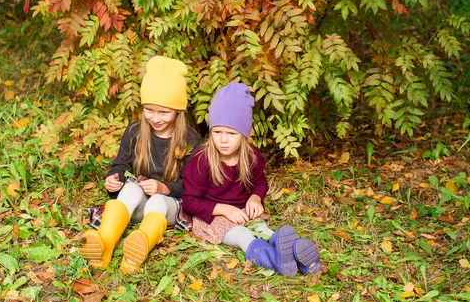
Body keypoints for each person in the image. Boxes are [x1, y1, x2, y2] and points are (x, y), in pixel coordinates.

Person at [182, 81, 321, 276]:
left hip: (243, 211)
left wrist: (255, 197)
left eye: (231, 133)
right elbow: (189, 202)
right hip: (213, 216)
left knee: (263, 230)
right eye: (217, 132)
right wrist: (224, 209)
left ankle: (301, 256)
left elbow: (260, 182)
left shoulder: (251, 156)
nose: (223, 139)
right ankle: (277, 262)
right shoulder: (201, 161)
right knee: (242, 235)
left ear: (244, 134)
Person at [79, 55, 201, 273]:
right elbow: (121, 166)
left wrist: (165, 188)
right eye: (149, 110)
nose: (155, 118)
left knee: (159, 201)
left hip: (169, 208)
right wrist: (114, 179)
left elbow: (193, 187)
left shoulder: (190, 140)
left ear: (178, 112)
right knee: (132, 187)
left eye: (164, 112)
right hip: (137, 207)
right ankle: (104, 245)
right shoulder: (135, 132)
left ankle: (136, 254)